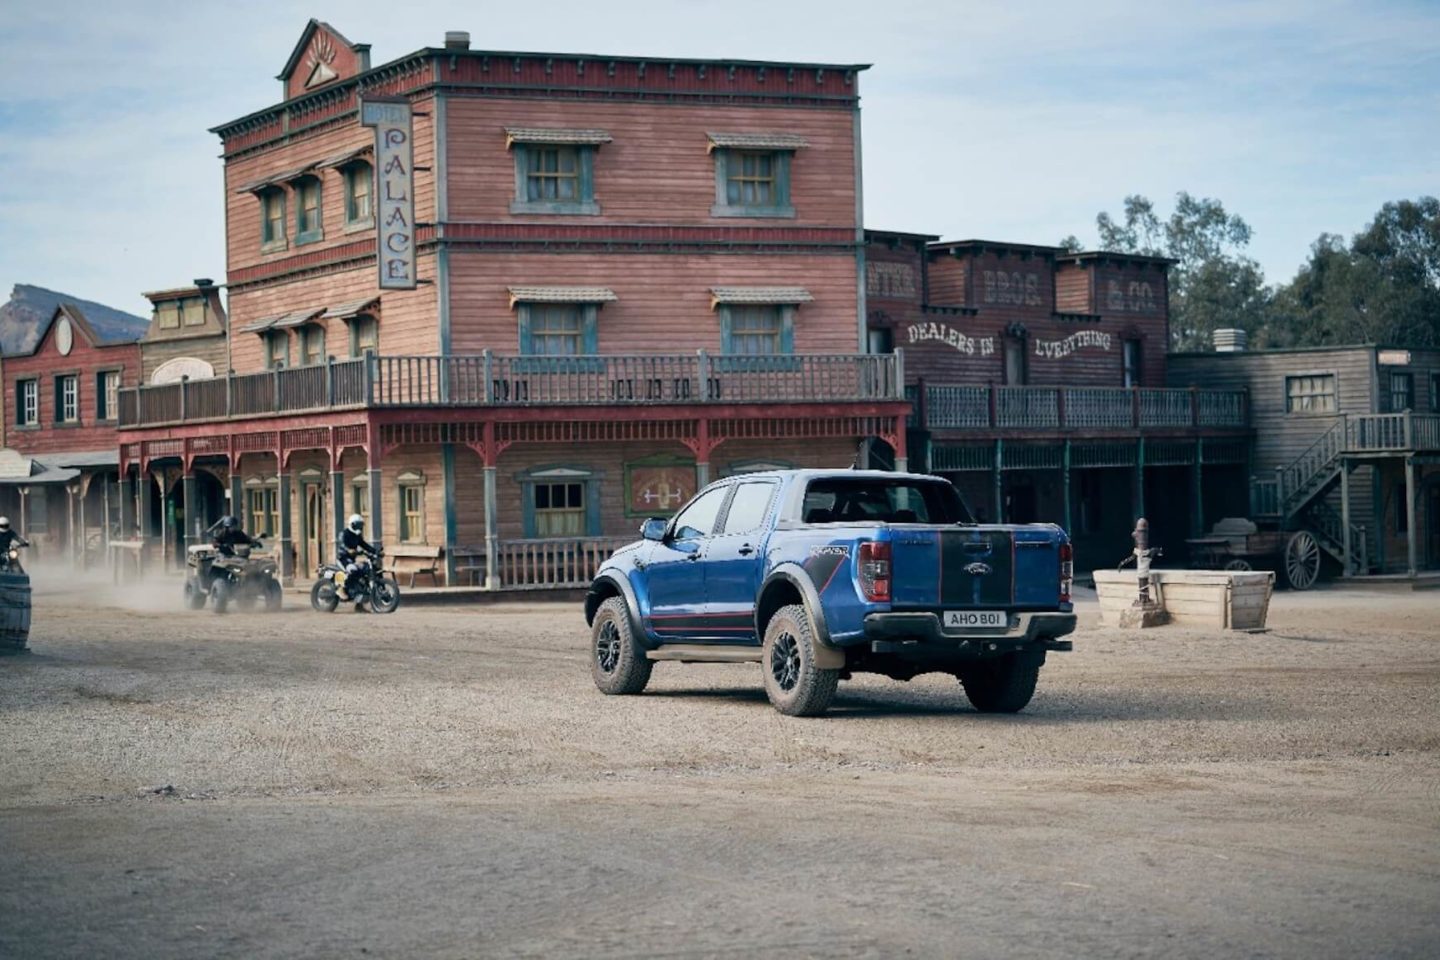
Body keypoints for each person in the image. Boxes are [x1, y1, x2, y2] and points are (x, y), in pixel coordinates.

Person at [336, 514, 378, 601]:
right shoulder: (344, 533)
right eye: (358, 525)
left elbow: (364, 545)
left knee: (362, 572)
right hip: (343, 558)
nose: (360, 528)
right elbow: (341, 544)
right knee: (352, 570)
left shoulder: (357, 536)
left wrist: (376, 551)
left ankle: (359, 603)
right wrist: (348, 550)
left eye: (361, 525)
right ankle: (340, 589)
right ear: (352, 525)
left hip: (351, 559)